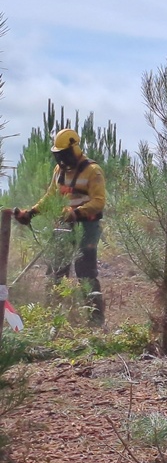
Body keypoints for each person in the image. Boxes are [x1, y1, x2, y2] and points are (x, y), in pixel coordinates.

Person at [13, 128, 106, 326]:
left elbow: (98, 202)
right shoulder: (59, 171)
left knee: (85, 272)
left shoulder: (93, 171)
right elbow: (51, 197)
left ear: (74, 148)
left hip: (87, 227)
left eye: (65, 154)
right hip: (63, 225)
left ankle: (95, 323)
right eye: (59, 154)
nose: (62, 158)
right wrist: (30, 213)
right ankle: (51, 318)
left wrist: (76, 213)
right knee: (56, 270)